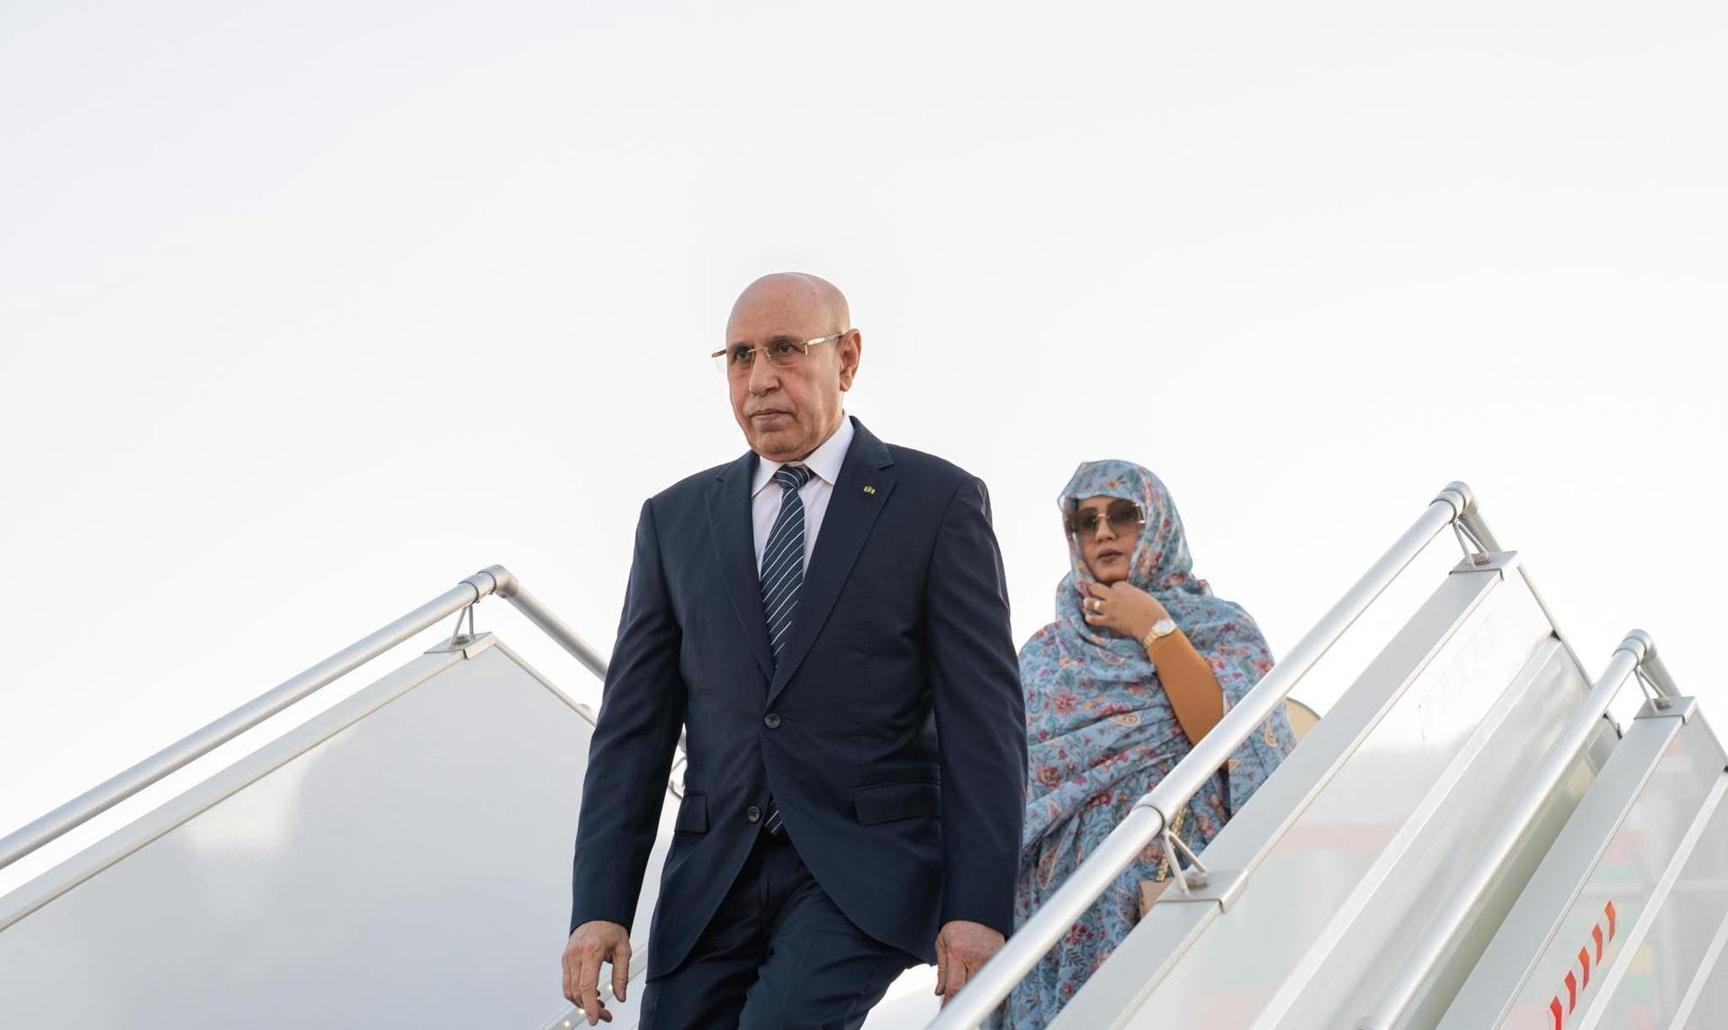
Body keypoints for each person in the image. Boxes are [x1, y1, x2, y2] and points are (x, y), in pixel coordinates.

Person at [560, 272, 1027, 1029]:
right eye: (740, 356)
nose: (760, 379)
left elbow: (984, 721)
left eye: (785, 349)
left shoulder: (936, 502)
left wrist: (978, 908)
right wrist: (600, 907)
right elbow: (632, 732)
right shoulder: (674, 521)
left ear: (847, 358)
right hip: (711, 882)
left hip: (862, 874)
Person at [992, 460, 1297, 1027]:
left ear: (1157, 522)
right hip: (1059, 910)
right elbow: (1011, 792)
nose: (1103, 532)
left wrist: (1154, 627)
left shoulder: (1220, 628)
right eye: (1086, 521)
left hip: (1177, 884)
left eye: (1123, 515)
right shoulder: (1046, 655)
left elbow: (1232, 737)